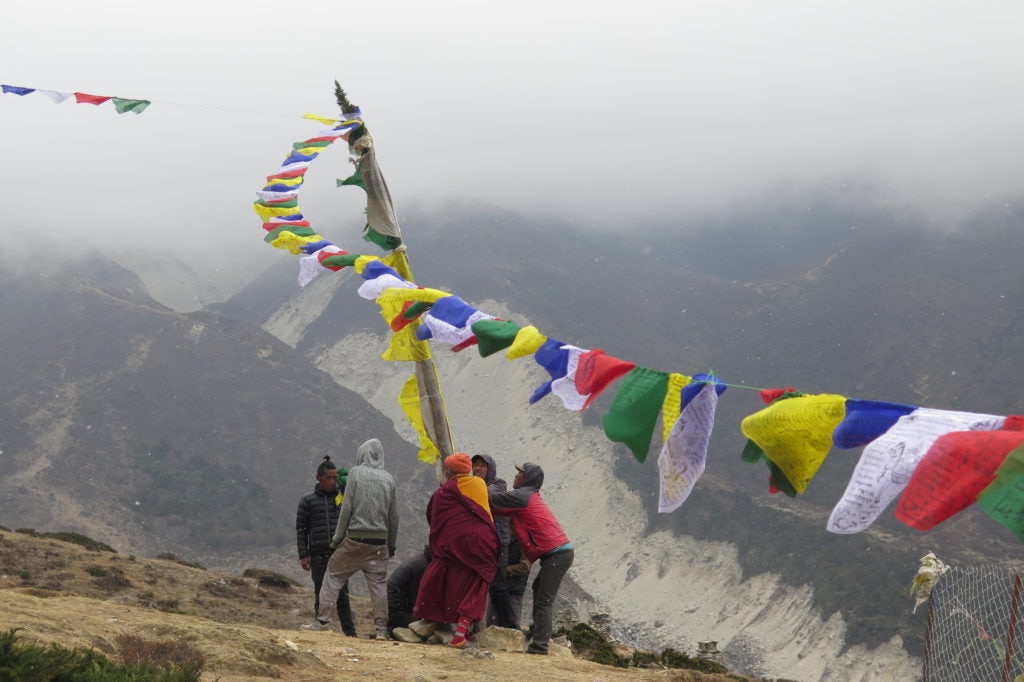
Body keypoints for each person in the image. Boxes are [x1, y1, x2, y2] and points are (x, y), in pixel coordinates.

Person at [303, 438, 399, 640]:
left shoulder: (355, 474)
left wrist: (337, 540)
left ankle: (322, 622)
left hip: (355, 539)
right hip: (379, 544)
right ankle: (381, 630)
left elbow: (346, 509)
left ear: (362, 455)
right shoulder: (389, 479)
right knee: (379, 586)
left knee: (333, 575)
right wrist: (390, 545)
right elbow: (393, 516)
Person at [409, 453, 500, 649]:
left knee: (444, 577)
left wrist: (448, 537)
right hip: (481, 544)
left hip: (454, 545)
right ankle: (460, 632)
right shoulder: (479, 485)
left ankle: (434, 619)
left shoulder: (444, 492)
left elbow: (433, 516)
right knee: (476, 584)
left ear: (448, 470)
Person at [489, 462, 574, 655]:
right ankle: (537, 632)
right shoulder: (526, 496)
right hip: (558, 553)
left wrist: (474, 489)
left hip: (558, 554)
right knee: (538, 588)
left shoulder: (522, 496)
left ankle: (540, 646)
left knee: (544, 599)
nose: (516, 476)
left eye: (520, 473)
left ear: (526, 478)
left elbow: (491, 500)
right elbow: (498, 509)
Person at [295, 456, 357, 636]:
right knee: (321, 591)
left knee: (342, 594)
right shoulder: (307, 502)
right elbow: (301, 530)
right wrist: (303, 554)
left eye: (334, 478)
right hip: (318, 553)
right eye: (328, 478)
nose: (332, 481)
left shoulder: (342, 499)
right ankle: (320, 628)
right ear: (318, 478)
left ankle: (350, 632)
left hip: (339, 552)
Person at [471, 453, 517, 629]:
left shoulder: (498, 485)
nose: (477, 468)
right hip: (480, 543)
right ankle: (476, 624)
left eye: (482, 465)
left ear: (490, 469)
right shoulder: (473, 486)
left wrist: (470, 487)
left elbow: (488, 496)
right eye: (474, 465)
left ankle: (511, 626)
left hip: (498, 544)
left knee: (498, 586)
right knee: (476, 583)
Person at [387, 545, 431, 639]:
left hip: (397, 610)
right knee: (432, 624)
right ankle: (394, 630)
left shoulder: (421, 561)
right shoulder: (422, 566)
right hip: (398, 613)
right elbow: (417, 598)